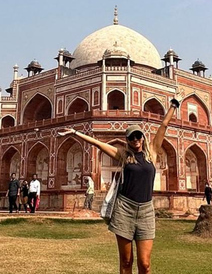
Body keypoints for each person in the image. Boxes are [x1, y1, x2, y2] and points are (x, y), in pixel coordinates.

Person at [58, 94, 180, 274]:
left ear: (143, 137)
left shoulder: (152, 153)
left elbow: (163, 126)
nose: (136, 139)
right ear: (128, 140)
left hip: (146, 210)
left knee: (145, 264)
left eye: (138, 136)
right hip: (125, 209)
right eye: (132, 137)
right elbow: (98, 143)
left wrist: (174, 105)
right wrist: (75, 133)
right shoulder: (123, 155)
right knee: (126, 261)